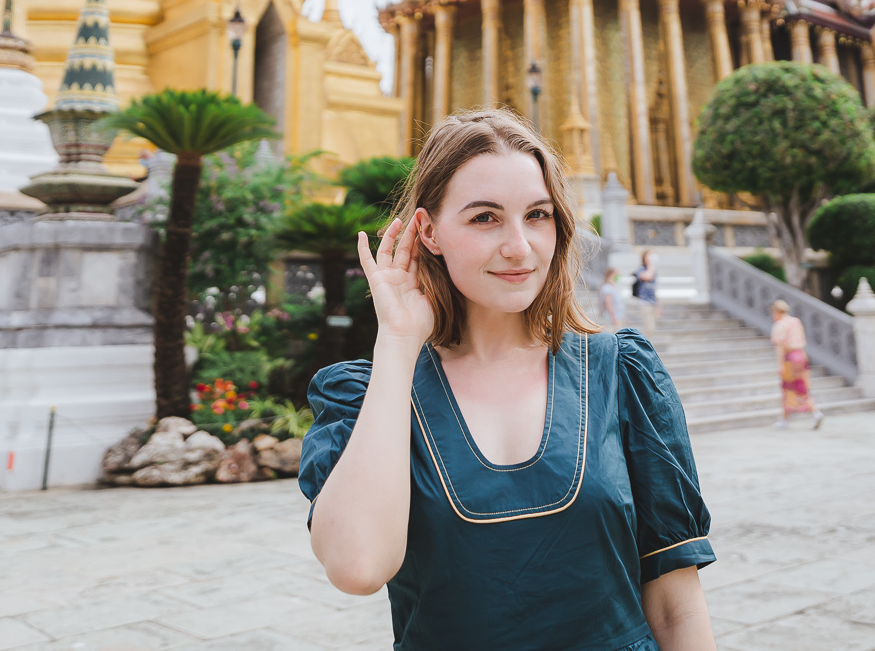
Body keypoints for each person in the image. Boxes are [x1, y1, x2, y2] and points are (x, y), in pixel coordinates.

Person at [300, 109, 716, 651]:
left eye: (537, 215)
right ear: (428, 231)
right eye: (484, 218)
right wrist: (397, 346)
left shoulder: (620, 373)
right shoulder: (368, 397)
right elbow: (357, 567)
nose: (519, 246)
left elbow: (677, 607)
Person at [769, 300, 824, 430]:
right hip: (801, 356)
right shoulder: (795, 322)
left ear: (776, 312)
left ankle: (810, 412)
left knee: (788, 388)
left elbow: (780, 347)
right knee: (801, 386)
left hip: (790, 358)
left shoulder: (780, 325)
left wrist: (780, 364)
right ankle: (809, 413)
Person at [634, 248, 663, 330]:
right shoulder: (640, 269)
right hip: (645, 302)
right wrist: (651, 265)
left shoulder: (654, 271)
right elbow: (647, 276)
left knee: (653, 327)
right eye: (649, 255)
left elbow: (654, 288)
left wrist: (659, 305)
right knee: (649, 327)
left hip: (653, 301)